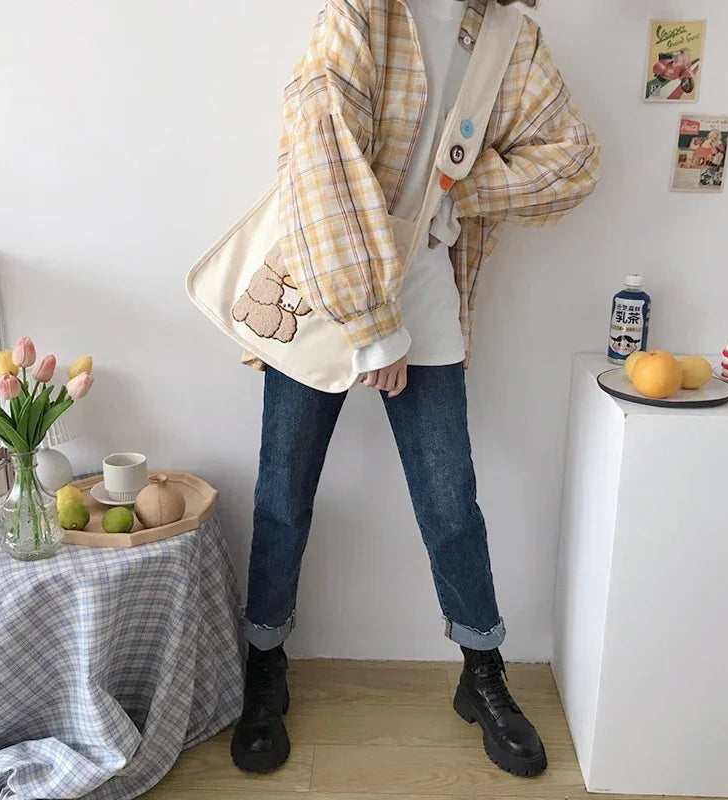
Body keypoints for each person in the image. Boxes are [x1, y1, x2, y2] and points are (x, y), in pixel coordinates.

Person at [231, 0, 601, 779]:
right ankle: (265, 660)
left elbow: (574, 159)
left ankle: (482, 672)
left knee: (449, 500)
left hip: (427, 291)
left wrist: (463, 185)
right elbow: (319, 160)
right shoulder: (361, 13)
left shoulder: (510, 34)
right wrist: (371, 324)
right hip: (326, 283)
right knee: (283, 492)